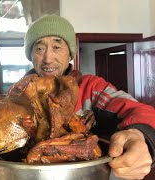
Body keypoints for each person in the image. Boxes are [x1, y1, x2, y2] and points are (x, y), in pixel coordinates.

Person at [21, 14, 155, 179]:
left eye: (57, 47)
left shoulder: (92, 88)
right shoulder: (16, 96)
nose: (48, 58)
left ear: (69, 54)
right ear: (31, 55)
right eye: (39, 48)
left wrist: (141, 136)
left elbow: (141, 111)